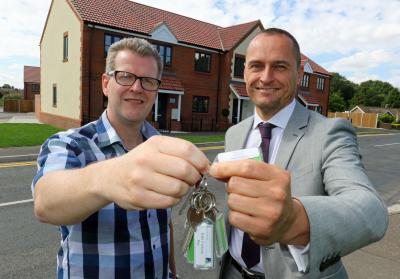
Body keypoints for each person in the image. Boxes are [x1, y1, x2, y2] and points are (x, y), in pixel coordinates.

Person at [209, 28, 388, 279]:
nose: (266, 77)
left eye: (280, 67)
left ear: (299, 73)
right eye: (256, 66)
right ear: (245, 71)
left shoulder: (329, 132)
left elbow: (371, 211)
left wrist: (294, 220)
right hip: (233, 271)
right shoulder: (234, 133)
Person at [31, 37, 209, 279]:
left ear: (156, 90)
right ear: (106, 83)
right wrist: (110, 177)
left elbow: (162, 225)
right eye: (125, 76)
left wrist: (172, 273)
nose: (137, 88)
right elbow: (46, 202)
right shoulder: (72, 144)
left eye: (148, 81)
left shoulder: (162, 147)